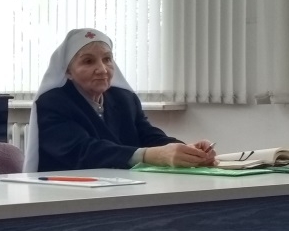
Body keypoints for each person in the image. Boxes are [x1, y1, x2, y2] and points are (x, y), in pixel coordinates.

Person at [23, 28, 216, 172]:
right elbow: (84, 151)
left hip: (120, 187)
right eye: (88, 61)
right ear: (67, 72)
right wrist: (149, 155)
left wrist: (188, 151)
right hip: (65, 193)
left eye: (107, 59)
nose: (102, 69)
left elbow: (149, 137)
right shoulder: (52, 103)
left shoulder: (124, 99)